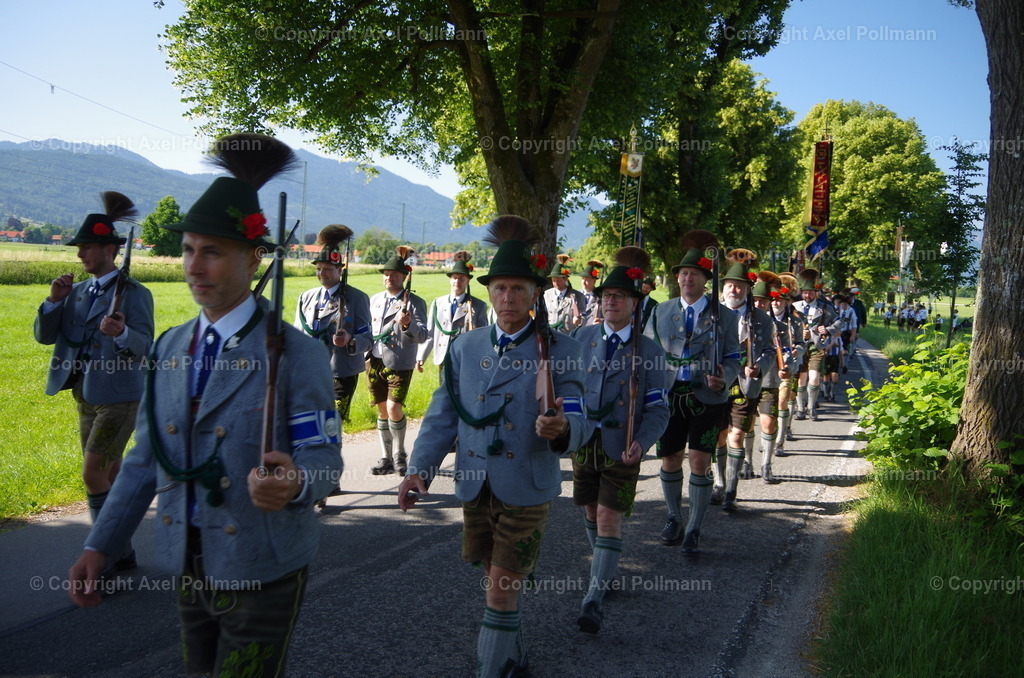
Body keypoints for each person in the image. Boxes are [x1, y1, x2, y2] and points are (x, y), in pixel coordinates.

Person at [67, 133, 342, 677]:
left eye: (212, 251)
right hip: (188, 558)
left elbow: (323, 457)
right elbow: (147, 458)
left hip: (264, 563)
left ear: (252, 257)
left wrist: (295, 484)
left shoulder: (297, 353)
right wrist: (102, 544)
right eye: (190, 249)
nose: (195, 265)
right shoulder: (169, 346)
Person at [398, 215, 589, 677]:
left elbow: (582, 415)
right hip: (473, 482)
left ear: (534, 294)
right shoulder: (465, 347)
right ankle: (513, 653)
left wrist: (562, 429)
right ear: (489, 292)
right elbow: (442, 416)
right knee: (493, 575)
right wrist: (418, 470)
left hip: (525, 482)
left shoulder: (560, 348)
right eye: (500, 288)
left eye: (518, 289)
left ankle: (492, 669)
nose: (508, 298)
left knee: (502, 586)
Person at [35, 191, 154, 571]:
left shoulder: (136, 295)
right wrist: (54, 301)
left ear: (109, 250)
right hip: (84, 393)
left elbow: (146, 347)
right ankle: (123, 551)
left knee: (92, 473)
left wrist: (121, 334)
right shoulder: (77, 292)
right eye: (80, 248)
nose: (80, 255)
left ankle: (101, 555)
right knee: (111, 473)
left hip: (120, 397)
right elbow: (45, 336)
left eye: (86, 248)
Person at [570, 246, 671, 634]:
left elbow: (658, 410)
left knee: (610, 517)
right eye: (606, 296)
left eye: (619, 297)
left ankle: (592, 598)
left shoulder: (649, 351)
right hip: (584, 443)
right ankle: (604, 571)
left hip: (623, 445)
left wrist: (642, 443)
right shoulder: (581, 338)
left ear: (634, 304)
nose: (610, 301)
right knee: (591, 513)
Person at [644, 229, 741, 553]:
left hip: (708, 398)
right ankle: (673, 516)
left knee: (699, 461)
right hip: (669, 396)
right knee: (670, 458)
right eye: (682, 273)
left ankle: (695, 527)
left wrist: (724, 378)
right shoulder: (660, 311)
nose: (686, 279)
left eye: (693, 274)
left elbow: (733, 357)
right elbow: (649, 352)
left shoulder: (723, 315)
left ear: (704, 278)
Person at [294, 224, 371, 505]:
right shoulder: (306, 298)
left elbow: (368, 337)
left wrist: (350, 339)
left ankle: (328, 478)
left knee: (331, 424)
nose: (322, 273)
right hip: (308, 373)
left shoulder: (356, 298)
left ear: (339, 270)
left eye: (327, 269)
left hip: (341, 370)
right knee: (308, 424)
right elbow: (296, 334)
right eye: (319, 268)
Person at [710, 249, 774, 508]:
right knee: (718, 436)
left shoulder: (761, 319)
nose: (734, 290)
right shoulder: (711, 313)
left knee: (737, 435)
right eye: (730, 286)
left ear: (748, 289)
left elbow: (770, 350)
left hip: (745, 384)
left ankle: (730, 491)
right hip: (717, 382)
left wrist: (759, 366)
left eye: (739, 286)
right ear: (723, 288)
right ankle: (718, 483)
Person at [367, 246, 428, 476]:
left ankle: (400, 454)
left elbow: (422, 334)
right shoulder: (374, 300)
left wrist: (407, 324)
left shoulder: (414, 302)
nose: (388, 277)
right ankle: (386, 457)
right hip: (374, 360)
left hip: (400, 361)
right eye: (386, 274)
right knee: (382, 409)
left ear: (403, 277)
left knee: (394, 407)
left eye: (393, 274)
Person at [417, 250, 489, 381]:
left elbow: (484, 337)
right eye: (454, 278)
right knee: (444, 394)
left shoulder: (478, 306)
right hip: (444, 357)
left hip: (466, 358)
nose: (457, 281)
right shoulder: (438, 303)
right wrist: (421, 356)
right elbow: (430, 333)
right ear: (450, 280)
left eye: (461, 278)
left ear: (468, 281)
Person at [792, 268, 841, 422]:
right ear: (801, 292)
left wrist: (827, 329)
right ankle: (800, 409)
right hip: (798, 347)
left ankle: (811, 408)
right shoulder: (794, 307)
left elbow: (839, 322)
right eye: (805, 292)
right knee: (801, 378)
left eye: (811, 292)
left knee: (814, 378)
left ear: (816, 292)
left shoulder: (825, 307)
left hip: (816, 346)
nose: (808, 295)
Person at [771, 274, 805, 458]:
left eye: (780, 300)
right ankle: (768, 437)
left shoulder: (795, 321)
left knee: (782, 401)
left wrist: (795, 351)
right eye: (774, 299)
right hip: (765, 369)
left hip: (786, 367)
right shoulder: (761, 317)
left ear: (786, 302)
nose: (776, 303)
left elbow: (801, 344)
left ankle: (779, 442)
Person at [543, 254, 585, 333]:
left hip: (568, 337)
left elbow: (584, 317)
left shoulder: (578, 296)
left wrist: (579, 321)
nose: (556, 283)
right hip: (549, 336)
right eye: (553, 280)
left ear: (565, 279)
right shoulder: (547, 295)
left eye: (558, 280)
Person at [576, 259, 604, 325]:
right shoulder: (576, 294)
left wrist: (601, 322)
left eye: (586, 279)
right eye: (582, 279)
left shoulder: (600, 297)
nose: (583, 282)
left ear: (594, 281)